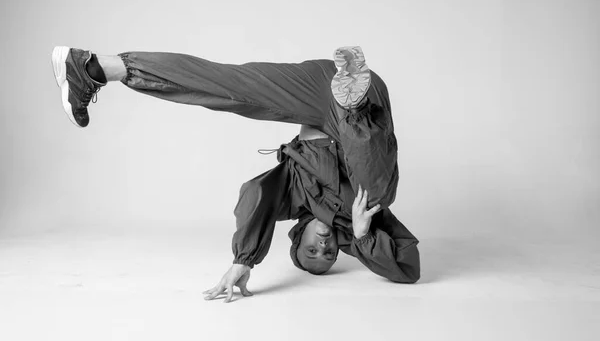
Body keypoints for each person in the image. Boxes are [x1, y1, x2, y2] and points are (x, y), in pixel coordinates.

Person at [51, 45, 420, 302]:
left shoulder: (291, 197)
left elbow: (253, 197)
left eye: (311, 251)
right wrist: (362, 234)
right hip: (363, 109)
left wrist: (243, 260)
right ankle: (355, 105)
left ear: (297, 235)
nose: (322, 247)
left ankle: (94, 66)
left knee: (224, 86)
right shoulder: (354, 228)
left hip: (318, 93)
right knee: (377, 197)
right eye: (328, 253)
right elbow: (409, 268)